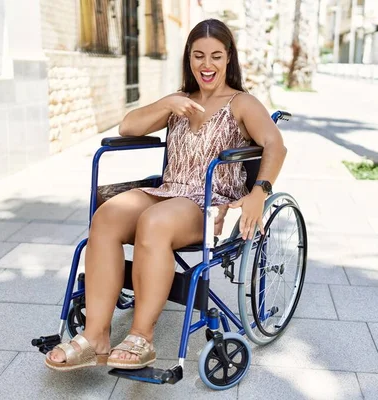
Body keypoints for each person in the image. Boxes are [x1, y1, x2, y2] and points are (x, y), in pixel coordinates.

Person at [45, 18, 286, 371]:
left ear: (229, 58)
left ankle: (141, 337)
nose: (207, 65)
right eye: (198, 55)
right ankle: (96, 335)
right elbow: (128, 127)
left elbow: (275, 145)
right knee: (107, 216)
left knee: (154, 222)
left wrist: (259, 192)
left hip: (210, 198)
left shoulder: (242, 102)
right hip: (169, 189)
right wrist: (167, 104)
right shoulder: (180, 100)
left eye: (216, 56)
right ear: (188, 58)